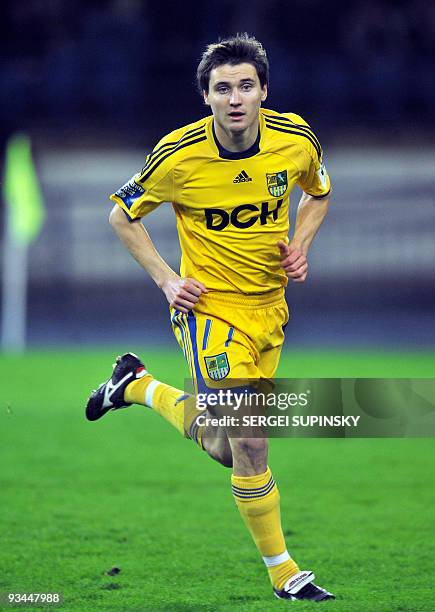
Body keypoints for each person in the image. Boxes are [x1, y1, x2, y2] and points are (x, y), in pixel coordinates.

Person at [86, 33, 334, 602]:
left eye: (246, 85)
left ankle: (137, 387)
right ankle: (285, 573)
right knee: (251, 440)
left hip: (269, 310)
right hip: (207, 311)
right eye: (223, 88)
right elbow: (122, 216)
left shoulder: (295, 140)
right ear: (206, 97)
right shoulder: (178, 156)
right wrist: (168, 279)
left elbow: (319, 191)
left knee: (227, 448)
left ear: (263, 91)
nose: (236, 98)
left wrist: (300, 242)